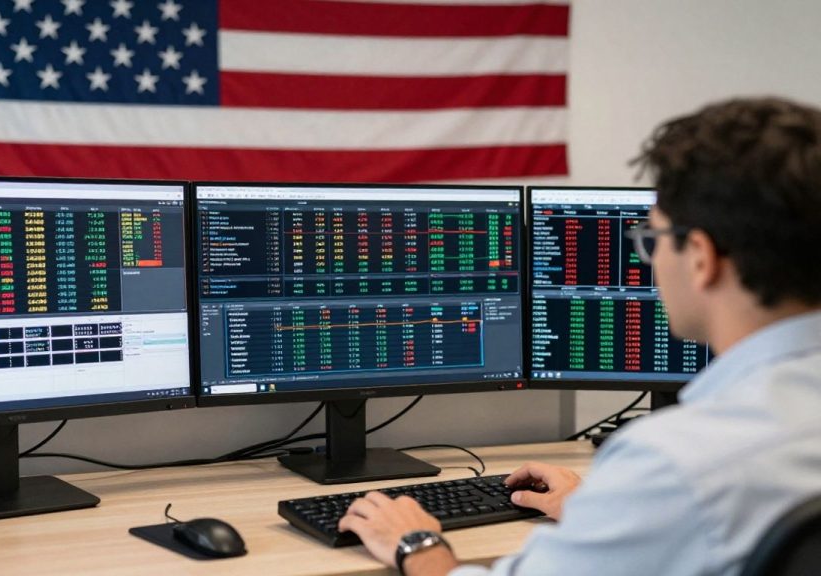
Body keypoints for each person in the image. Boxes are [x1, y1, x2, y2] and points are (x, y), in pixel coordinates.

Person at [338, 96, 821, 576]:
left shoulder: (677, 461)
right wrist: (611, 514)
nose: (652, 262)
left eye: (651, 241)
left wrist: (417, 546)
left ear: (700, 256)